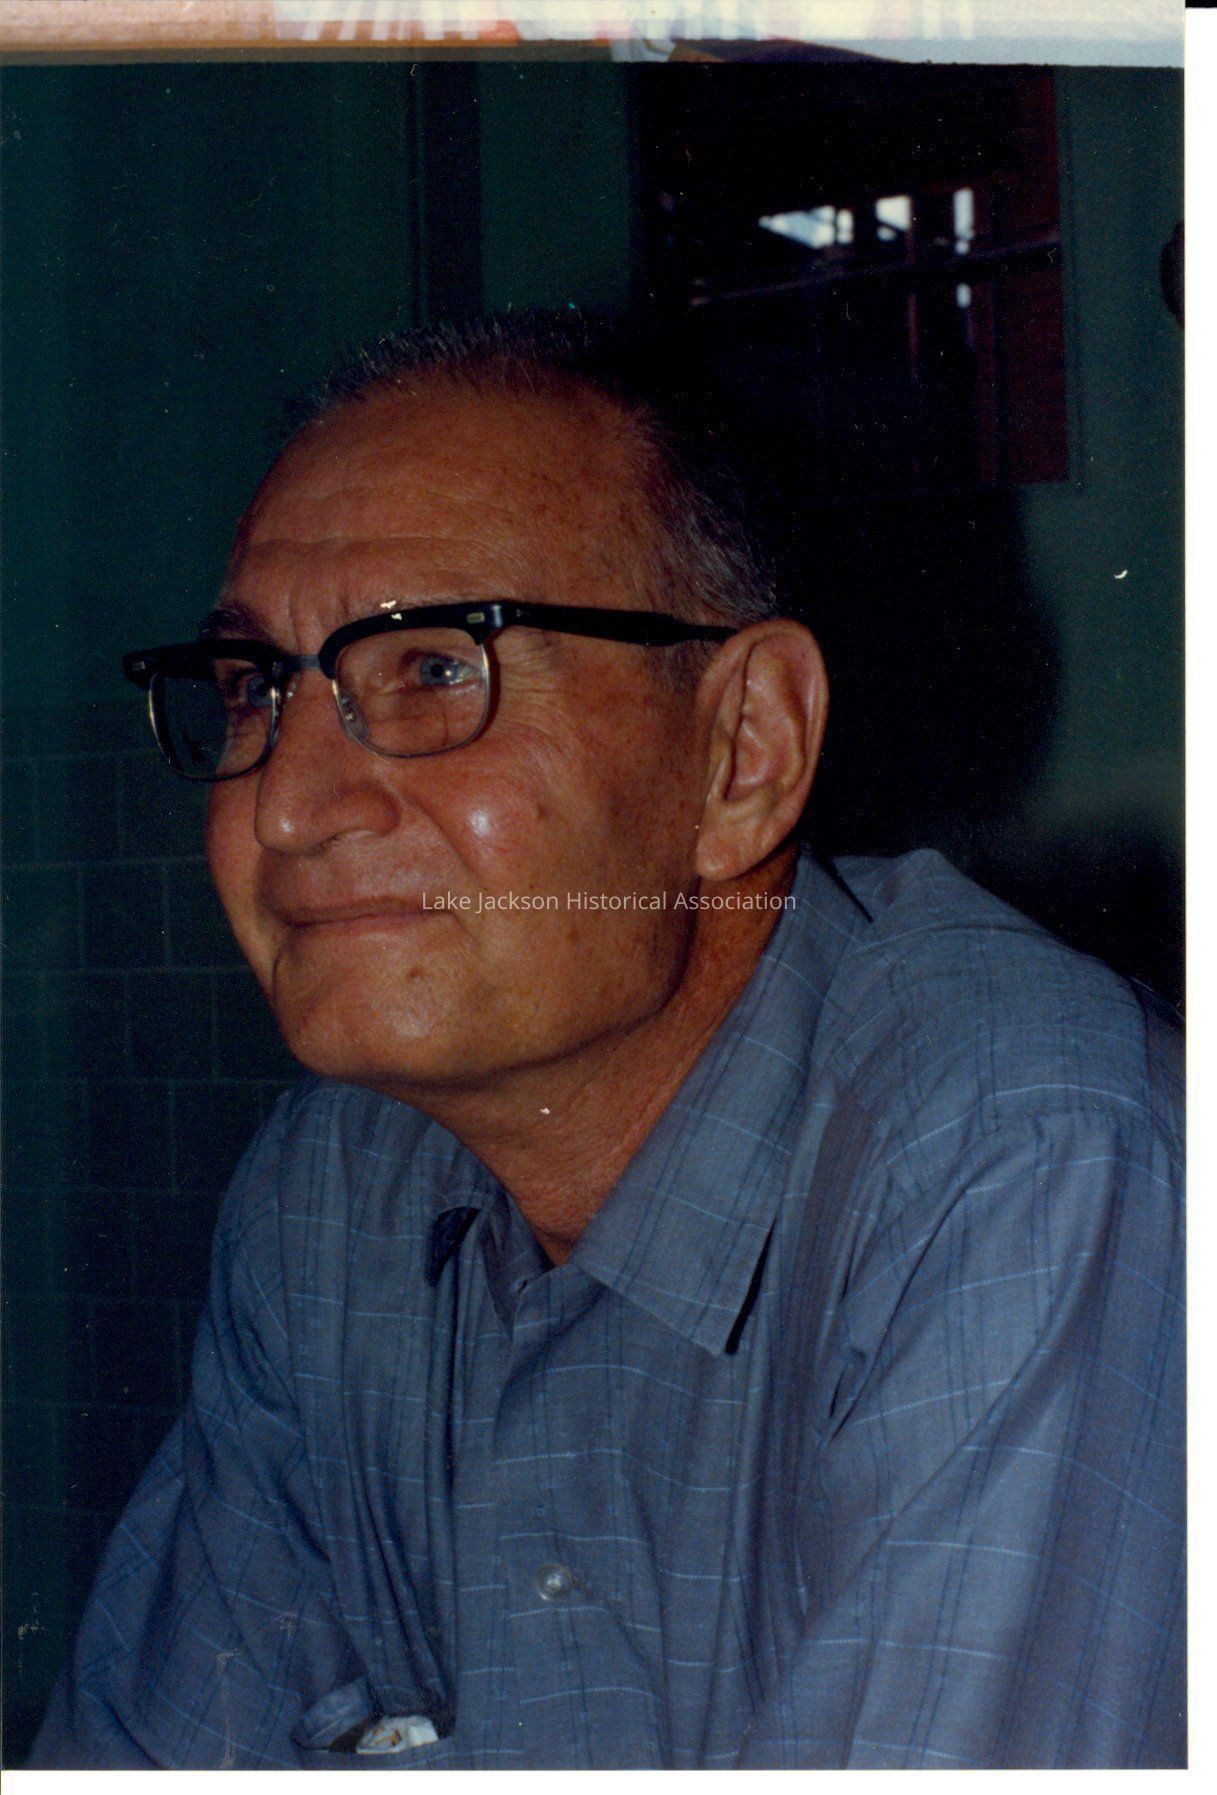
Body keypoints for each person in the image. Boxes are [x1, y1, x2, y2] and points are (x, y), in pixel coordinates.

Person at [30, 314, 1183, 1769]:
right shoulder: (332, 1191)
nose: (289, 805)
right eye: (258, 686)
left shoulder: (1028, 1159)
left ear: (743, 748)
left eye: (434, 668)